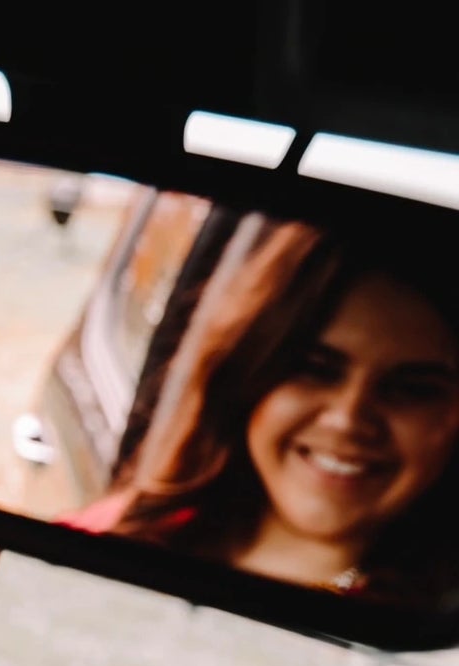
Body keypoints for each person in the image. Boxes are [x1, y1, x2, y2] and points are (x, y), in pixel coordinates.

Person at [65, 218, 459, 602]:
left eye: (413, 389)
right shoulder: (115, 537)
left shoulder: (435, 640)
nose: (348, 419)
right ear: (249, 376)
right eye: (315, 370)